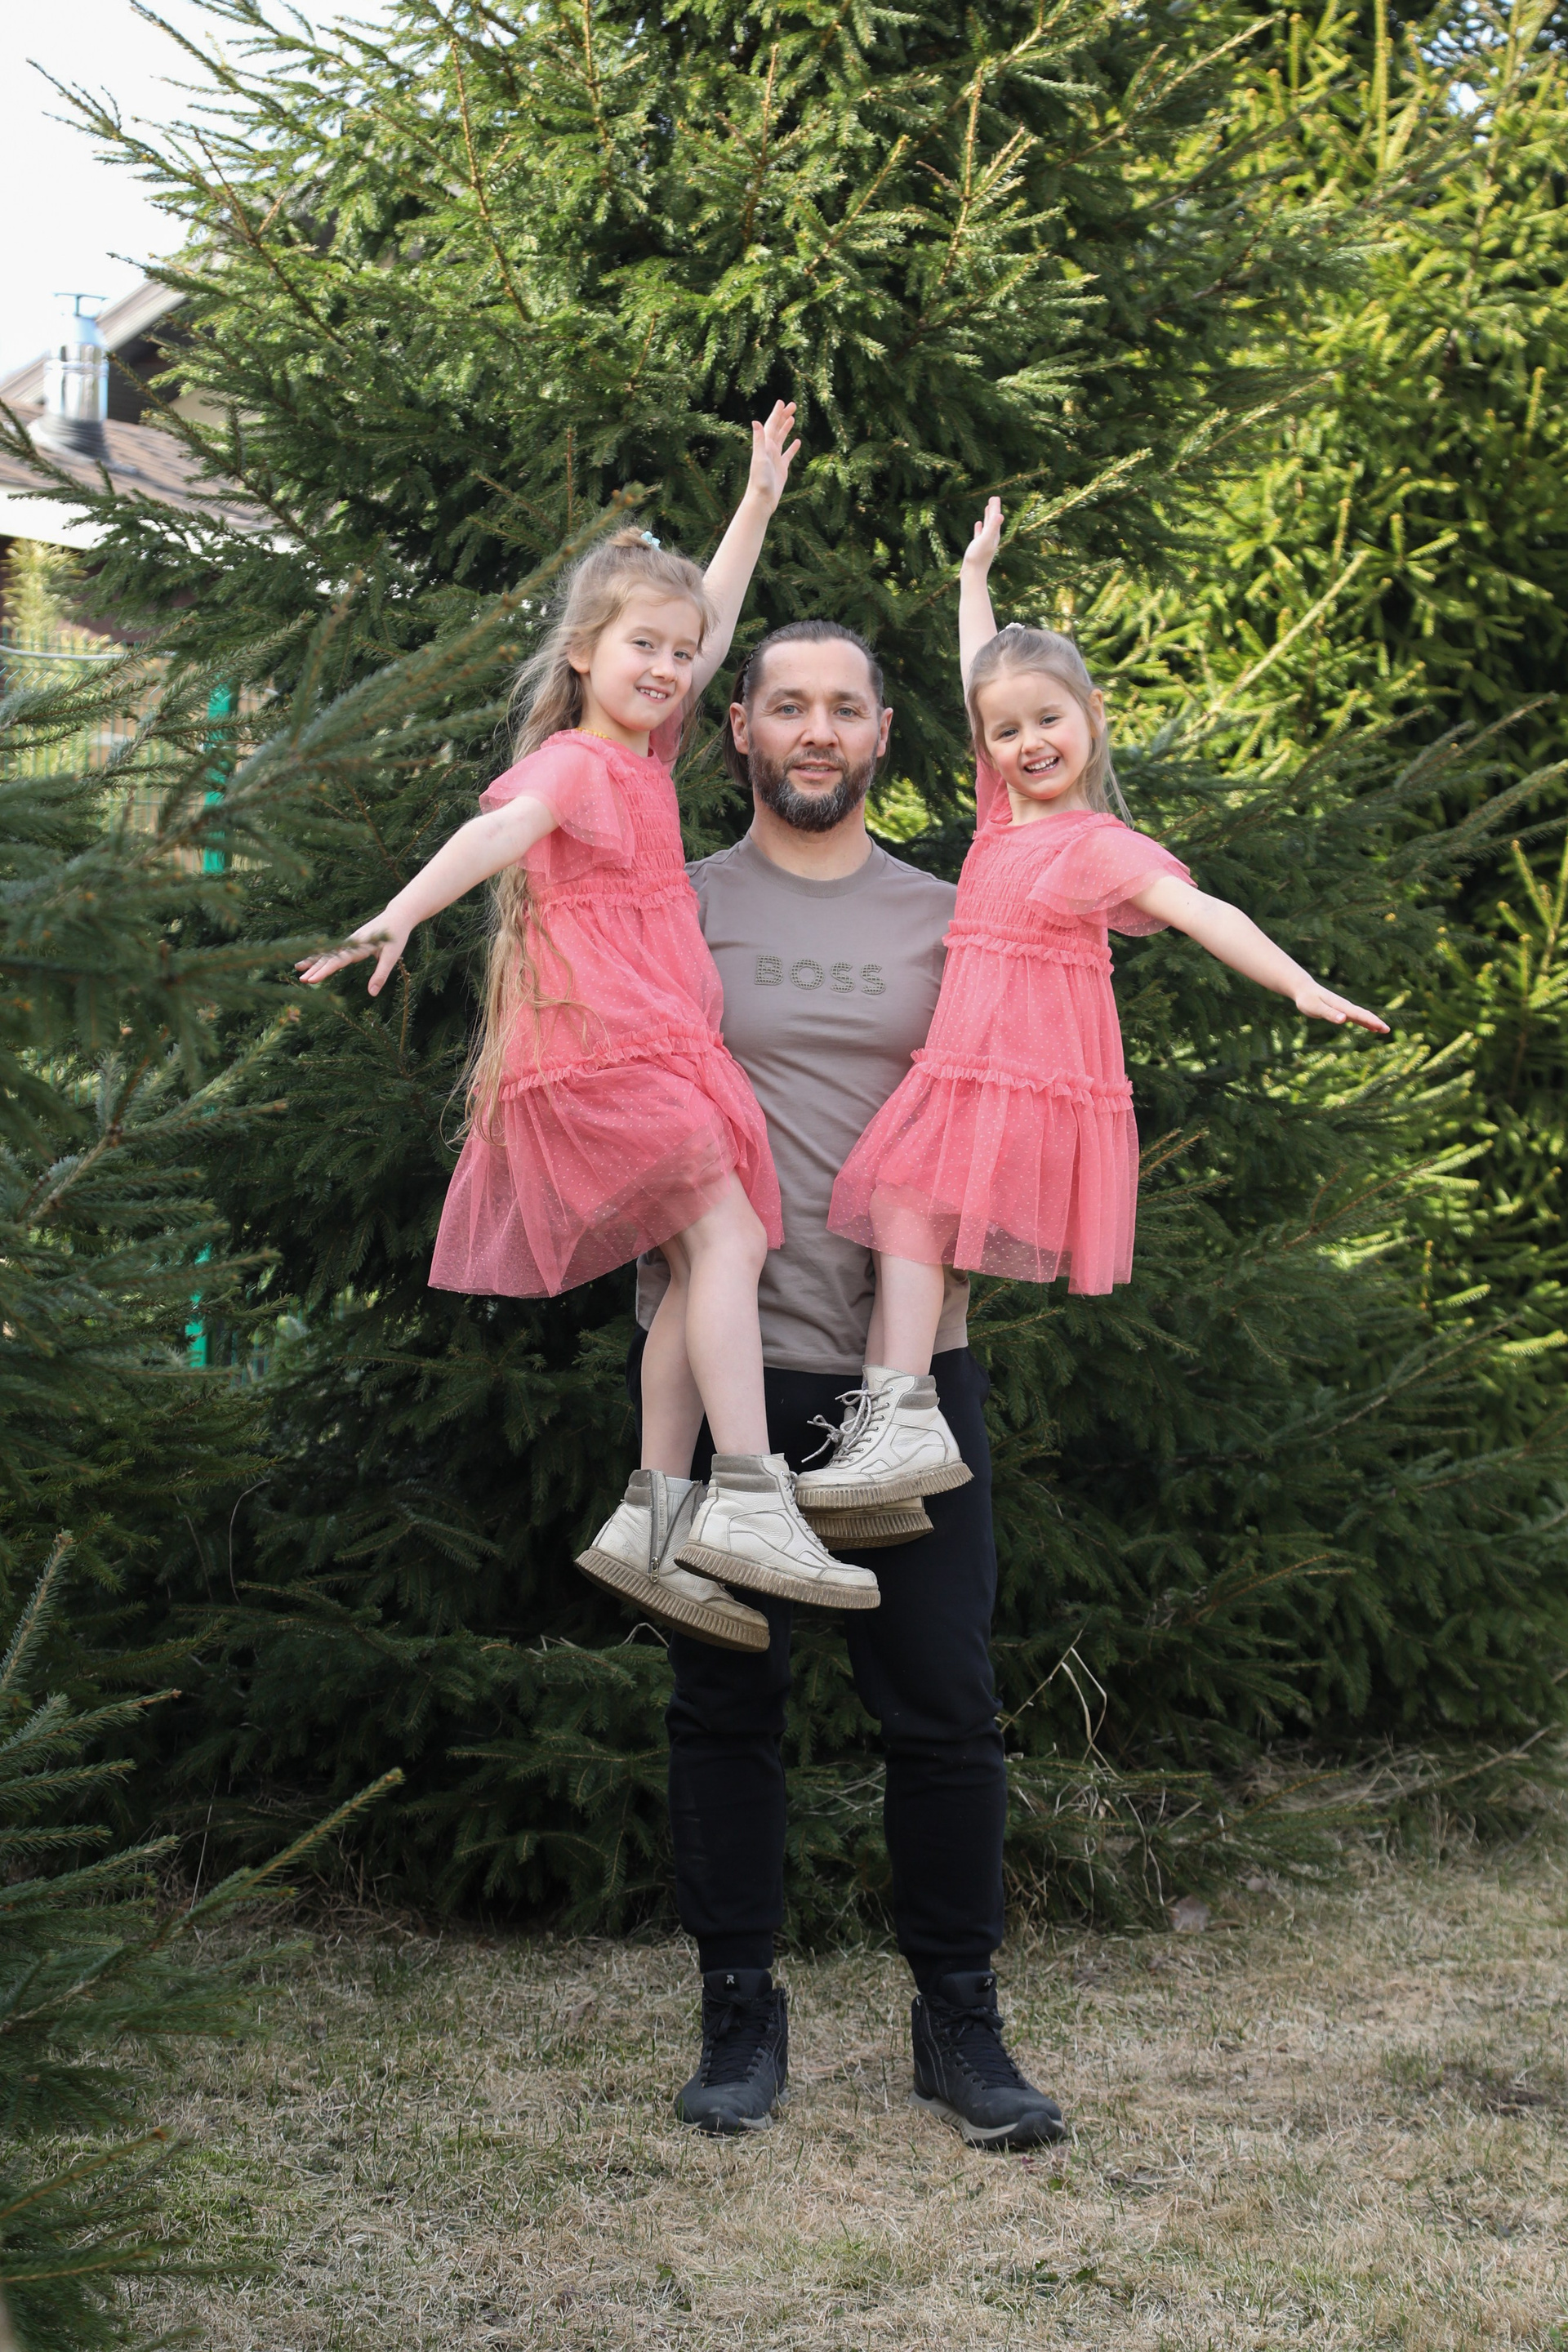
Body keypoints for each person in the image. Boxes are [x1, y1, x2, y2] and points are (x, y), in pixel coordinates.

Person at [297, 404, 878, 1654]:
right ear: (582, 654)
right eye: (641, 649)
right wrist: (399, 915)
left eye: (679, 654)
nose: (668, 668)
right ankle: (750, 1497)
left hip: (654, 1042)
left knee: (700, 1262)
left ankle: (652, 1521)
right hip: (604, 1050)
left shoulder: (648, 753)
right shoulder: (574, 763)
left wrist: (757, 505)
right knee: (730, 1238)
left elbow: (714, 611)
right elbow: (495, 833)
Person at [632, 617, 1069, 2148]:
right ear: (739, 730)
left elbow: (1012, 1113)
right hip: (727, 1374)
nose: (815, 730)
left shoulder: (955, 919)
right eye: (787, 705)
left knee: (944, 1709)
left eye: (844, 707)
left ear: (885, 735)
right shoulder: (674, 906)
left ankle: (960, 2024)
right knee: (724, 1701)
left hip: (907, 1388)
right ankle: (737, 2017)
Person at [802, 498, 1391, 1507]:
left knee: (904, 1211)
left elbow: (1204, 912)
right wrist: (974, 577)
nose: (1028, 742)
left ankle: (898, 1424)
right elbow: (980, 673)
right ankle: (898, 1425)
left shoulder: (1098, 846)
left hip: (1023, 1082)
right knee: (910, 1226)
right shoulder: (1002, 814)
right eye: (1006, 732)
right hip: (970, 1075)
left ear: (1093, 715)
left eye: (1049, 721)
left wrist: (1297, 982)